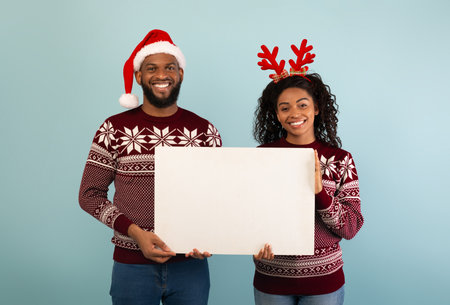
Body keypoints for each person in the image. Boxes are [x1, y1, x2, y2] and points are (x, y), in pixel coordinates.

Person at [79, 29, 222, 305]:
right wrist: (135, 232)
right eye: (151, 68)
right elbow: (89, 194)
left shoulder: (205, 131)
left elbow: (216, 197)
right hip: (132, 265)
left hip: (190, 267)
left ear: (180, 73)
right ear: (139, 77)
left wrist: (210, 236)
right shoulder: (114, 128)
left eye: (170, 67)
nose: (161, 74)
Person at [252, 39, 364, 305]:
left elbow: (350, 226)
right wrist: (251, 244)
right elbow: (248, 213)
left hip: (324, 283)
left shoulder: (340, 160)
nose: (294, 113)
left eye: (302, 105)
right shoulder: (261, 158)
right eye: (284, 107)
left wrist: (319, 192)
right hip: (271, 280)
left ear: (316, 108)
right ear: (276, 115)